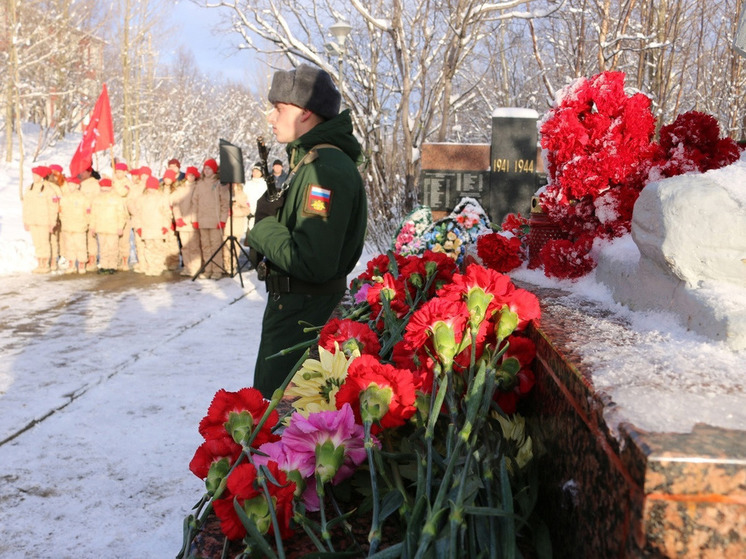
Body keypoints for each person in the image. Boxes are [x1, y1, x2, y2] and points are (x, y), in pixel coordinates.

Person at [246, 63, 368, 398]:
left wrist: (263, 229)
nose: (271, 118)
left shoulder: (323, 169)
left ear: (305, 113)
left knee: (277, 421)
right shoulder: (312, 162)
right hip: (297, 311)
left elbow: (314, 262)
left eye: (279, 108)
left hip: (301, 316)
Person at [191, 158, 229, 280]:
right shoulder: (200, 184)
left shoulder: (219, 184)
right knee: (205, 246)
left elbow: (225, 202)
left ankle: (217, 270)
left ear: (214, 170)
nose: (207, 171)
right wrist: (195, 219)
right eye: (205, 169)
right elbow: (194, 203)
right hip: (202, 220)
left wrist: (223, 219)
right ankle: (208, 269)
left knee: (216, 246)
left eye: (209, 169)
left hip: (215, 221)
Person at [22, 166, 58, 274]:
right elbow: (25, 206)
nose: (34, 177)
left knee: (44, 243)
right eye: (33, 174)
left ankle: (45, 264)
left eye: (36, 175)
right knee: (37, 243)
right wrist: (25, 221)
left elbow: (53, 207)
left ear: (42, 176)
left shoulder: (48, 189)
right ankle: (39, 264)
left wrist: (52, 222)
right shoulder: (29, 188)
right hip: (33, 221)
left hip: (44, 221)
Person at [135, 175, 173, 276]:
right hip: (146, 227)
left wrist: (165, 225)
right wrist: (138, 226)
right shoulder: (142, 199)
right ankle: (151, 266)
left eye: (153, 187)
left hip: (158, 227)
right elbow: (138, 214)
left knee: (159, 248)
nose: (151, 189)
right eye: (149, 187)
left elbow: (167, 213)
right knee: (149, 247)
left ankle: (158, 266)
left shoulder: (161, 198)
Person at [89, 178, 128, 274]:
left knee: (113, 248)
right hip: (100, 228)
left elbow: (121, 214)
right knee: (103, 248)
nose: (104, 191)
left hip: (113, 228)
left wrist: (120, 227)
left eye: (106, 189)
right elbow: (93, 214)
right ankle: (104, 265)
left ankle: (112, 266)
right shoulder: (96, 199)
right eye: (102, 189)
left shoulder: (116, 198)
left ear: (110, 188)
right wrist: (92, 227)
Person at [171, 166, 201, 276]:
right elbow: (175, 204)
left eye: (193, 175)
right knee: (185, 246)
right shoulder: (181, 188)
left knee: (194, 246)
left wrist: (191, 219)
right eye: (189, 175)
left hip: (193, 222)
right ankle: (187, 267)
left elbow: (197, 205)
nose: (190, 177)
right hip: (182, 222)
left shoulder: (198, 188)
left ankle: (196, 267)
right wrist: (178, 218)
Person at [58, 176, 90, 274]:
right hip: (67, 227)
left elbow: (88, 212)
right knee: (69, 247)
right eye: (69, 185)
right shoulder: (64, 197)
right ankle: (71, 264)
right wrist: (63, 221)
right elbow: (61, 211)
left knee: (81, 246)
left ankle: (81, 264)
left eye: (72, 185)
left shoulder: (83, 197)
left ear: (77, 185)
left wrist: (86, 223)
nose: (70, 187)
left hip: (79, 226)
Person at [222, 182, 251, 274]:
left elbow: (246, 210)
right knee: (225, 247)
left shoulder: (241, 195)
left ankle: (232, 265)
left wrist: (234, 211)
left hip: (236, 225)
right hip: (225, 225)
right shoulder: (223, 192)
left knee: (234, 247)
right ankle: (226, 265)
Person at [243, 162, 267, 232]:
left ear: (261, 173)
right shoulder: (248, 184)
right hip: (248, 216)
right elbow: (244, 198)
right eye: (253, 171)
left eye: (257, 171)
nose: (255, 173)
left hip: (260, 216)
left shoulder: (265, 185)